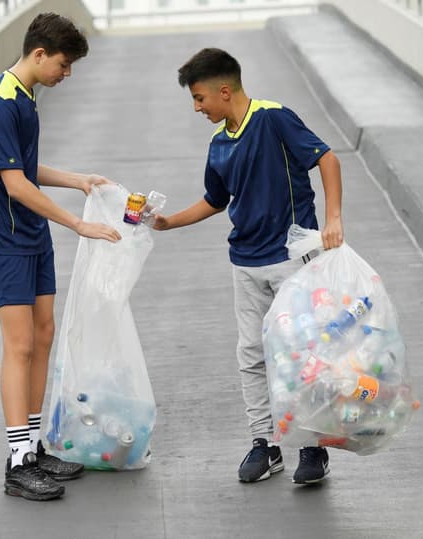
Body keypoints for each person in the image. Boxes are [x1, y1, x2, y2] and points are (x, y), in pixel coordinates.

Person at [153, 48, 344, 485]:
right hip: (245, 263)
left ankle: (313, 449)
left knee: (302, 355)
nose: (197, 108)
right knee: (253, 356)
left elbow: (327, 159)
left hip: (293, 258)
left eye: (200, 98)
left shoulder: (274, 118)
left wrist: (333, 219)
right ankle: (265, 443)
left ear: (224, 90)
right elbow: (215, 200)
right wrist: (169, 222)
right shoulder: (219, 145)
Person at [0, 12, 121, 501]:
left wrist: (77, 179)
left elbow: (26, 168)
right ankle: (17, 463)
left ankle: (34, 447)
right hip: (1, 239)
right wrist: (77, 223)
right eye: (64, 63)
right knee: (20, 347)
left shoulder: (24, 97)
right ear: (38, 54)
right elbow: (13, 184)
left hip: (29, 236)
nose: (66, 73)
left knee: (43, 335)